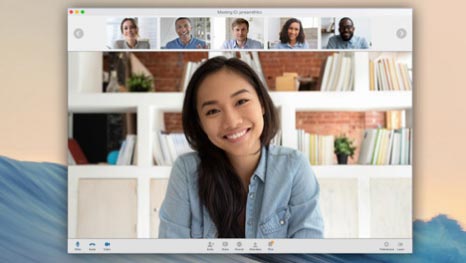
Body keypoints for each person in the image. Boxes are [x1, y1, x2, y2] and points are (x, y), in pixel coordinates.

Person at [158, 57, 324, 238]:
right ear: (200, 123)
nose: (232, 122)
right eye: (212, 111)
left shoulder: (294, 167)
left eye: (241, 101)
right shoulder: (186, 172)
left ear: (261, 103)